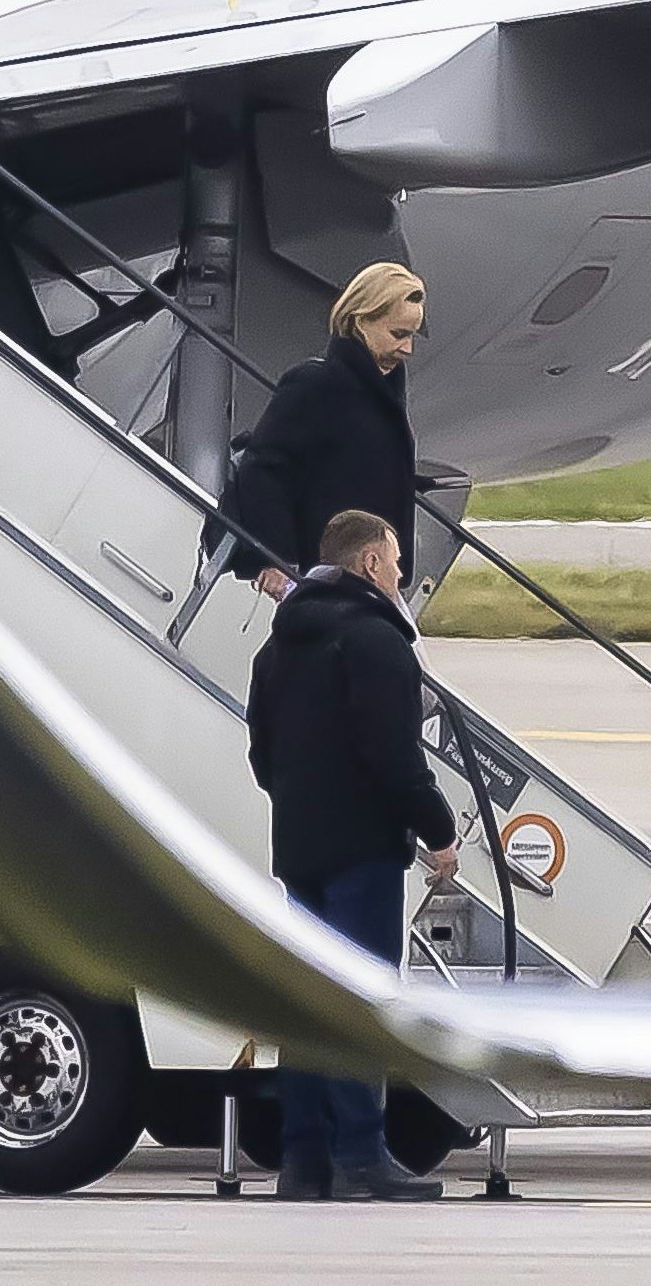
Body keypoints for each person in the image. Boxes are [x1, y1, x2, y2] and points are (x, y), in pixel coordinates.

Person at [247, 509, 460, 1201]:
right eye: (395, 561)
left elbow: (262, 756)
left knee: (309, 1003)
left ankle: (303, 1162)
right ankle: (363, 1153)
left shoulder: (277, 650)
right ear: (370, 564)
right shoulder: (376, 643)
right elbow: (395, 758)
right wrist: (438, 828)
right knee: (363, 1000)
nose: (401, 575)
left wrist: (303, 806)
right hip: (363, 849)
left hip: (300, 846)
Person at [232, 262, 427, 601]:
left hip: (371, 577)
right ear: (361, 321)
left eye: (411, 336)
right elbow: (264, 470)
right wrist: (275, 556)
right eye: (398, 334)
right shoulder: (315, 384)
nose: (407, 349)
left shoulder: (385, 394)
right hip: (327, 577)